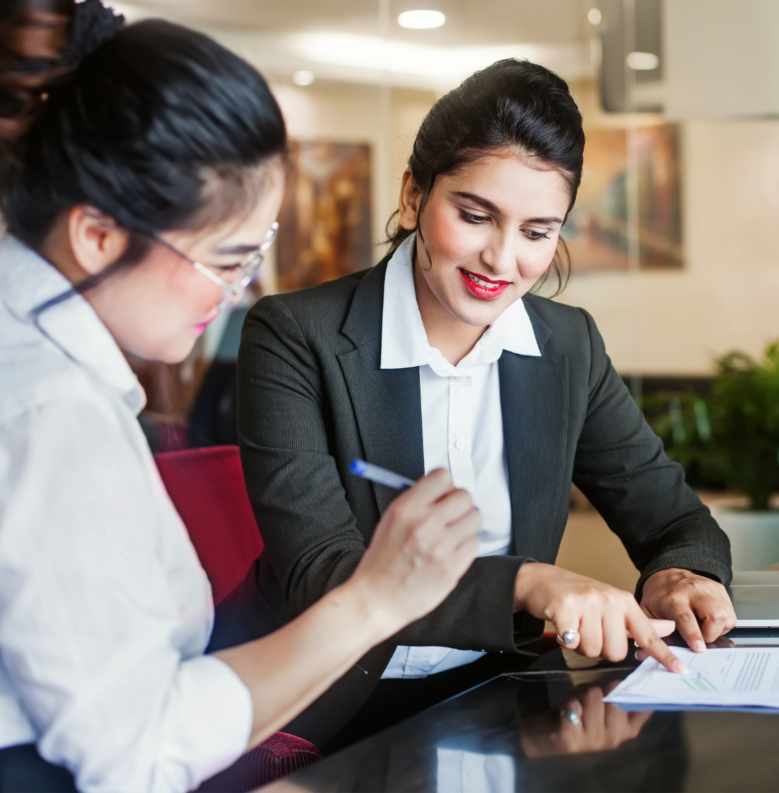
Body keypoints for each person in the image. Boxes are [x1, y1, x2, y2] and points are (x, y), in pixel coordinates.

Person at [0, 8, 481, 792]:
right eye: (227, 259)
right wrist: (374, 598)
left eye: (254, 255)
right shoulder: (50, 412)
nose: (235, 295)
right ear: (96, 235)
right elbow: (136, 752)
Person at [230, 58, 737, 749]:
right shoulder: (294, 336)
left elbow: (674, 518)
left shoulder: (568, 347)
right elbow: (324, 574)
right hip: (326, 706)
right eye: (475, 215)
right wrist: (528, 584)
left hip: (504, 698)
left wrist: (682, 574)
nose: (502, 258)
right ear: (413, 196)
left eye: (537, 231)